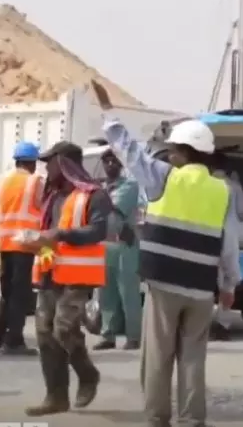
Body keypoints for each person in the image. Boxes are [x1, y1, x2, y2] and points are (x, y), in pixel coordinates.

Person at [102, 117, 241, 426]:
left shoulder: (164, 177)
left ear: (186, 151)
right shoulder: (223, 191)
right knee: (193, 357)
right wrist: (229, 284)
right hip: (202, 288)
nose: (170, 155)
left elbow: (129, 151)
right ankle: (192, 419)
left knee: (157, 355)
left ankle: (157, 417)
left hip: (164, 284)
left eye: (174, 149)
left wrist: (111, 119)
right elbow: (230, 243)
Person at [19, 141, 109, 416]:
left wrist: (59, 235)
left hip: (78, 275)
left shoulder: (95, 195)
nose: (47, 168)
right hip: (50, 272)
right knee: (44, 333)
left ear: (65, 163)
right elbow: (48, 235)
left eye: (51, 162)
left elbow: (97, 231)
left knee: (64, 329)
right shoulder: (52, 197)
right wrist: (35, 242)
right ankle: (56, 397)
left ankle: (88, 374)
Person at [0, 141, 43, 355]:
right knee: (20, 294)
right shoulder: (35, 181)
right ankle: (14, 341)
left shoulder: (4, 180)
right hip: (24, 244)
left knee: (7, 292)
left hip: (5, 243)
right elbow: (42, 206)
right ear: (32, 162)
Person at [92, 148, 142, 351]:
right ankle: (108, 334)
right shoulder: (101, 187)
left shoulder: (129, 185)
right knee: (106, 292)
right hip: (105, 243)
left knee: (128, 292)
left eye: (114, 160)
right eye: (106, 161)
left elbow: (111, 208)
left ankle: (133, 336)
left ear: (121, 164)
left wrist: (97, 196)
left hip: (124, 245)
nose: (110, 164)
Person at [209, 151, 243, 342]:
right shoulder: (235, 186)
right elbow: (242, 213)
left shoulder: (206, 185)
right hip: (230, 239)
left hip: (208, 238)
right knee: (229, 283)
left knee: (206, 284)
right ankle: (223, 325)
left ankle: (201, 326)